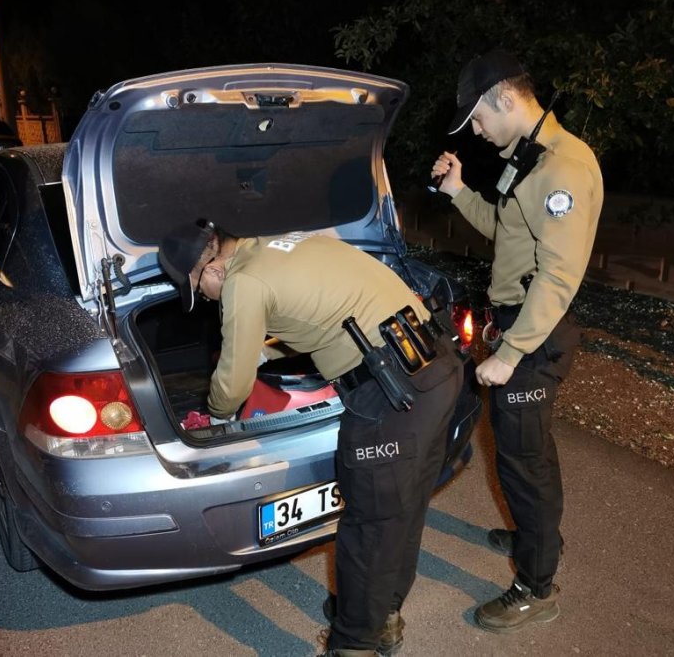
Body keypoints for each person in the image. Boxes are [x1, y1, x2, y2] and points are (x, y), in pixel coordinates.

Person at [159, 221, 465, 657]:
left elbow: (232, 383)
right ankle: (381, 615)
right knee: (402, 509)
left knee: (368, 525)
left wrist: (212, 419)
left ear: (208, 272)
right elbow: (316, 316)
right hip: (436, 366)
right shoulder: (277, 243)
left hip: (390, 394)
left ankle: (353, 643)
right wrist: (265, 348)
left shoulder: (241, 283)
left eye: (199, 292)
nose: (207, 300)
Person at [430, 48, 603, 633]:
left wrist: (509, 354)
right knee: (525, 453)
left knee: (523, 464)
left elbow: (559, 275)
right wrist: (459, 190)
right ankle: (537, 534)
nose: (476, 132)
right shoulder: (522, 160)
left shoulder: (562, 168)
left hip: (533, 335)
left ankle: (536, 584)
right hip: (515, 324)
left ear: (505, 98)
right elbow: (505, 233)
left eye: (478, 118)